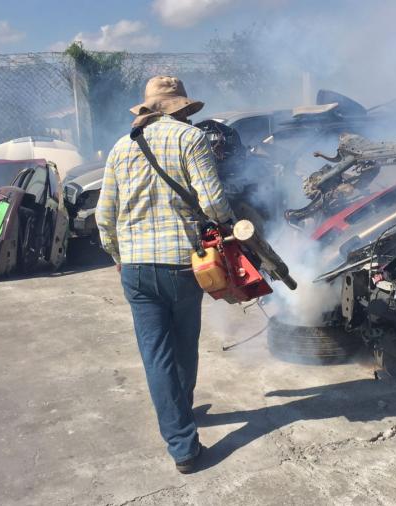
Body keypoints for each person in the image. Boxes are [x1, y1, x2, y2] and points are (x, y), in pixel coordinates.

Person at [96, 76, 233, 473]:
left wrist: (117, 255)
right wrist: (225, 223)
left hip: (136, 268)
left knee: (156, 354)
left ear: (147, 108)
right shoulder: (192, 140)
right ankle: (184, 432)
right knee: (184, 344)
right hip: (183, 265)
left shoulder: (121, 147)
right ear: (182, 108)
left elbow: (105, 216)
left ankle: (180, 439)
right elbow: (213, 203)